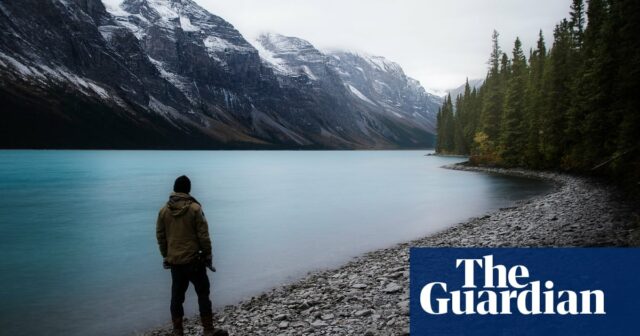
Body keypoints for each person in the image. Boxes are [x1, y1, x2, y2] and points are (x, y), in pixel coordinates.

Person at [156, 175, 226, 336]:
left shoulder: (163, 211)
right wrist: (208, 255)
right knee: (203, 293)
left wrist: (166, 255)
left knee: (177, 296)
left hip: (175, 261)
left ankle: (177, 331)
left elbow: (160, 236)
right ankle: (208, 329)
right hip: (194, 261)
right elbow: (203, 235)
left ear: (174, 189)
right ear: (188, 189)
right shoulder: (195, 209)